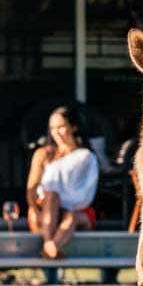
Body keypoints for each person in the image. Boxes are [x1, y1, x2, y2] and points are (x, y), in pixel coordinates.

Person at [26, 105, 99, 258]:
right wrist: (39, 210)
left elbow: (87, 192)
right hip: (47, 210)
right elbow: (31, 190)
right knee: (52, 195)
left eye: (61, 127)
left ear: (74, 127)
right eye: (53, 128)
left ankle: (49, 247)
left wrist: (65, 205)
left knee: (71, 215)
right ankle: (51, 245)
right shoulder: (43, 154)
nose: (56, 132)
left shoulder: (86, 156)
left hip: (76, 210)